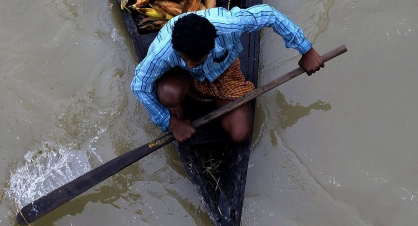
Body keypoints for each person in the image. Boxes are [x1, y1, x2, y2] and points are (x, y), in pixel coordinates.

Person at [131, 7, 324, 144]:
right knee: (168, 94)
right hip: (182, 76)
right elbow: (139, 85)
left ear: (210, 47)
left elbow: (269, 14)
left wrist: (306, 50)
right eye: (184, 58)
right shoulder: (163, 51)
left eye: (196, 59)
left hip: (223, 72)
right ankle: (181, 101)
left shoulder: (229, 24)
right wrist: (170, 122)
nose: (190, 63)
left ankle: (210, 95)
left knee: (240, 133)